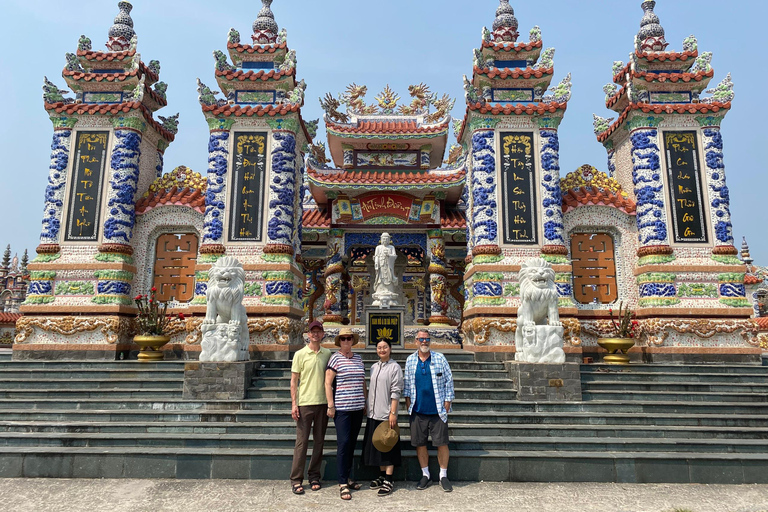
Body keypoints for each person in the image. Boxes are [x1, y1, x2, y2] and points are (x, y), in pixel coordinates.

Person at [403, 329, 455, 492]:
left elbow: (449, 380)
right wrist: (408, 403)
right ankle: (425, 474)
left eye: (427, 339)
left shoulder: (440, 358)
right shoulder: (410, 360)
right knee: (420, 444)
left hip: (438, 409)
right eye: (421, 339)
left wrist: (447, 402)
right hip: (418, 410)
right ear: (415, 341)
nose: (424, 342)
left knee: (442, 443)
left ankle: (443, 475)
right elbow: (407, 384)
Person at [289, 320, 332, 495]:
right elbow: (294, 381)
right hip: (305, 403)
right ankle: (296, 478)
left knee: (319, 442)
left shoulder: (327, 353)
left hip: (322, 403)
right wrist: (294, 403)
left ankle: (314, 475)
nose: (315, 334)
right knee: (302, 442)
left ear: (322, 334)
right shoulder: (300, 354)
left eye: (318, 332)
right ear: (308, 334)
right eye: (312, 332)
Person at [325, 327, 366, 500]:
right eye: (343, 339)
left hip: (357, 407)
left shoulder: (358, 358)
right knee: (343, 443)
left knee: (351, 444)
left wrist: (364, 401)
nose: (346, 341)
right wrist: (331, 405)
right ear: (339, 342)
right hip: (342, 408)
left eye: (349, 338)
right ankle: (342, 482)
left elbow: (363, 381)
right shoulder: (335, 358)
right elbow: (328, 383)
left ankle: (348, 477)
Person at [362, 339, 403, 496]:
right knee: (377, 445)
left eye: (385, 347)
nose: (382, 350)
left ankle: (389, 478)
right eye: (379, 347)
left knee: (388, 446)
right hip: (373, 413)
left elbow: (396, 391)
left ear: (390, 349)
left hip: (386, 414)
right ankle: (381, 475)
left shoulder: (394, 368)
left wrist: (393, 413)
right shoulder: (374, 367)